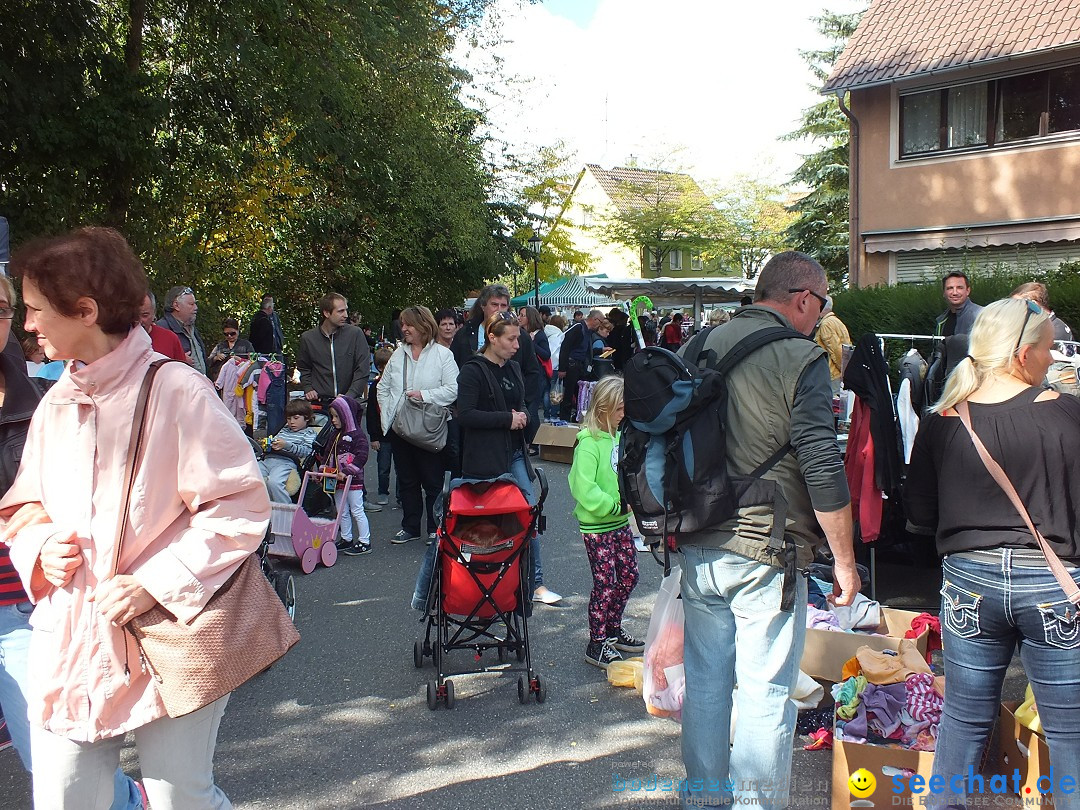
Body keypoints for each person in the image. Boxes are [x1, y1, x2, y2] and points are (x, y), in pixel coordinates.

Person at [0, 226, 270, 810]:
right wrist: (41, 545)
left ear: (86, 311)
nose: (28, 325)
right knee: (65, 797)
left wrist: (154, 582)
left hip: (169, 636)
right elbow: (24, 505)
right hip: (73, 638)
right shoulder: (55, 402)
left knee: (181, 799)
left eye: (37, 309)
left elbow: (240, 506)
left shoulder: (180, 392)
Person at [677, 251, 858, 809]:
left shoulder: (697, 345)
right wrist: (846, 563)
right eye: (822, 304)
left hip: (697, 534)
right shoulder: (801, 359)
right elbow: (821, 463)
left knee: (706, 683)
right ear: (803, 297)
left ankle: (703, 801)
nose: (821, 316)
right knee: (765, 692)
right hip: (767, 545)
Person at [904, 298, 1080, 810]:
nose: (1055, 360)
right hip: (1051, 583)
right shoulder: (1069, 416)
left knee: (963, 718)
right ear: (1023, 354)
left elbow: (920, 513)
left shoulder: (942, 419)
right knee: (1069, 731)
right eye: (1050, 350)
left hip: (968, 581)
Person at [0, 274, 146, 810]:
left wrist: (37, 545)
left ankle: (131, 801)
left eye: (2, 308)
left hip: (22, 609)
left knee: (59, 773)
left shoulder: (50, 397)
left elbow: (56, 501)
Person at [569, 376, 643, 669]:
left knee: (629, 575)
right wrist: (612, 505)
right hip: (598, 525)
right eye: (619, 409)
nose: (623, 414)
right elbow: (582, 486)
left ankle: (612, 628)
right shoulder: (588, 442)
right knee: (605, 583)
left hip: (619, 521)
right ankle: (596, 642)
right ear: (603, 408)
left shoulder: (616, 437)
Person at [377, 305, 458, 545]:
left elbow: (453, 389)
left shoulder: (442, 355)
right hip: (401, 428)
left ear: (423, 325)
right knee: (406, 480)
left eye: (408, 324)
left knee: (432, 480)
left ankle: (435, 528)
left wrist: (423, 395)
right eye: (403, 324)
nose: (403, 329)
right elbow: (383, 387)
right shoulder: (398, 354)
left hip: (429, 428)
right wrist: (388, 415)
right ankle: (410, 526)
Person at [296, 293, 371, 407]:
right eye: (340, 311)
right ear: (326, 313)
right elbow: (304, 367)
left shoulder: (355, 334)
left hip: (349, 403)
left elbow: (362, 369)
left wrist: (350, 395)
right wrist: (308, 388)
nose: (345, 315)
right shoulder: (308, 338)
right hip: (320, 403)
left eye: (346, 310)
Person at [320, 395, 371, 556]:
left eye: (337, 416)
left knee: (356, 509)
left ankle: (364, 541)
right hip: (336, 479)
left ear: (346, 415)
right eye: (332, 416)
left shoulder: (358, 436)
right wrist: (323, 468)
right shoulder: (334, 435)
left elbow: (362, 456)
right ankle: (346, 537)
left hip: (353, 480)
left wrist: (348, 471)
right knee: (341, 510)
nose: (334, 420)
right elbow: (328, 453)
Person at [259, 399, 318, 504]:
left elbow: (306, 452)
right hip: (267, 460)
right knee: (248, 476)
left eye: (296, 418)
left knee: (274, 482)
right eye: (289, 418)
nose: (291, 422)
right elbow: (274, 441)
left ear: (307, 418)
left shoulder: (309, 433)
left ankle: (286, 510)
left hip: (285, 462)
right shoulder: (284, 429)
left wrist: (286, 445)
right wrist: (268, 443)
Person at [557, 308, 603, 422]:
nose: (600, 325)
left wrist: (600, 350)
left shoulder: (589, 332)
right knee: (568, 396)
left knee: (581, 394)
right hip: (571, 365)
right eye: (601, 322)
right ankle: (564, 420)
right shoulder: (578, 328)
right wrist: (562, 368)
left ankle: (577, 418)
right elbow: (565, 347)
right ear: (595, 319)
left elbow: (586, 350)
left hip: (580, 366)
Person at [366, 347, 395, 510]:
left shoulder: (398, 385)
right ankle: (383, 492)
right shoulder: (375, 387)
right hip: (382, 435)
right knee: (383, 467)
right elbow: (371, 413)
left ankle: (400, 495)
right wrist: (374, 437)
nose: (385, 369)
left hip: (399, 434)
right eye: (382, 366)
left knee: (401, 468)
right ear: (378, 367)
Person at [156, 285, 208, 375]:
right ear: (176, 305)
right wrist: (179, 360)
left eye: (195, 304)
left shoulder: (192, 328)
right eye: (191, 304)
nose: (196, 308)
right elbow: (156, 363)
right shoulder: (162, 329)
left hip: (196, 384)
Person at [814, 296, 852, 395]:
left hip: (832, 374)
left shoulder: (826, 324)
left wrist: (844, 371)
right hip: (839, 373)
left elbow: (836, 351)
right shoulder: (837, 322)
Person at [138, 293, 186, 362]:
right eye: (134, 315)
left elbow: (181, 370)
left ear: (153, 313)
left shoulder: (170, 339)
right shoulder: (120, 340)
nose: (139, 321)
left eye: (145, 315)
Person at [935, 271, 983, 337]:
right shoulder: (941, 320)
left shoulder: (981, 316)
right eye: (950, 288)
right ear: (944, 293)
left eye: (959, 288)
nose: (955, 293)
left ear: (968, 291)